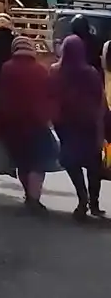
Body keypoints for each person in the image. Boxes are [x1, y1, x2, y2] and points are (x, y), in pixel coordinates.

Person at [0, 36, 61, 211]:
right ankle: (34, 198)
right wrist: (50, 117)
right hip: (37, 123)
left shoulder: (6, 69)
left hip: (11, 124)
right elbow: (49, 96)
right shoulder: (40, 70)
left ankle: (28, 194)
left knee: (22, 162)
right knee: (38, 162)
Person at [53, 31, 108, 221]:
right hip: (89, 126)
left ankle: (82, 198)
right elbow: (100, 102)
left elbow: (50, 96)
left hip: (65, 126)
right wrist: (101, 128)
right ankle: (94, 203)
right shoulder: (91, 73)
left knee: (72, 162)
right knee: (94, 167)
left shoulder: (55, 71)